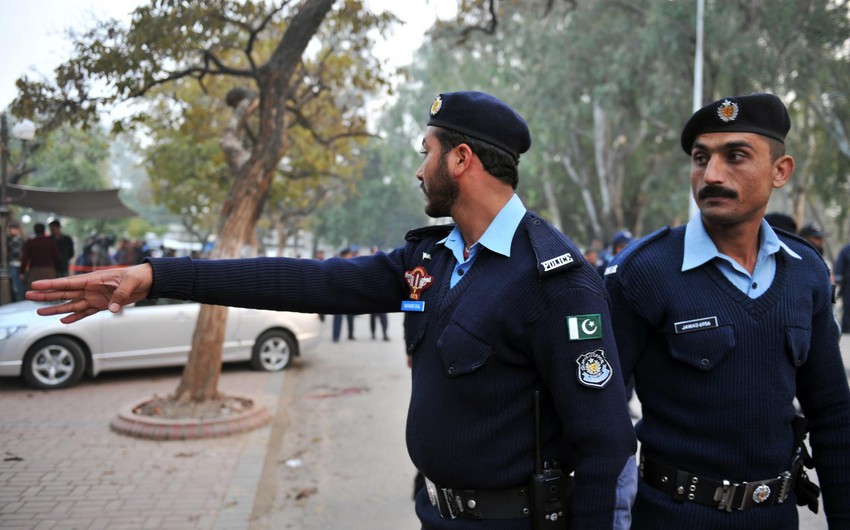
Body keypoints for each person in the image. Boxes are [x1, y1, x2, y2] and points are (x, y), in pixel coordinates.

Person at [27, 90, 637, 529]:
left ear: (461, 161)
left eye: (426, 152)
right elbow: (308, 283)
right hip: (436, 513)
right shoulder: (436, 258)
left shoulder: (555, 279)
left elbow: (605, 445)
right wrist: (158, 275)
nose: (417, 170)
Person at [604, 93, 850, 528]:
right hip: (672, 518)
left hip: (775, 517)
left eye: (735, 156)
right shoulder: (644, 271)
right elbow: (597, 415)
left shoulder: (805, 271)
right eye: (701, 159)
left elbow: (832, 413)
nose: (711, 174)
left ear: (780, 171)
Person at [20, 222, 60, 290]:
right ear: (44, 230)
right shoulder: (50, 242)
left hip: (34, 270)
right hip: (49, 270)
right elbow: (57, 256)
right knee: (49, 291)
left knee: (35, 292)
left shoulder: (30, 242)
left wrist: (21, 271)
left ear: (34, 230)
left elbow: (25, 258)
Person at [369, 245, 390, 341]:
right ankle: (373, 333)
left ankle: (385, 333)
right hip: (373, 296)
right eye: (374, 252)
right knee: (373, 317)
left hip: (382, 296)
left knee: (383, 317)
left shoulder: (383, 265)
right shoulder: (368, 265)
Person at [6, 222, 26, 301]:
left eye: (13, 229)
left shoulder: (22, 239)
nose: (11, 231)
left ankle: (22, 298)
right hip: (12, 263)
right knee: (15, 282)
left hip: (21, 263)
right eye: (10, 229)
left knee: (20, 282)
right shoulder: (8, 239)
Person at [835, 240, 850, 334]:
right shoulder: (846, 250)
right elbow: (840, 265)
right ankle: (846, 328)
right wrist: (839, 279)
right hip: (848, 285)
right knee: (848, 306)